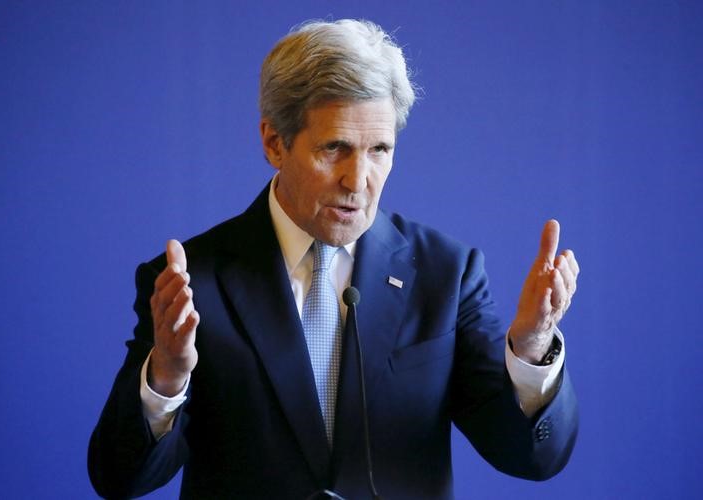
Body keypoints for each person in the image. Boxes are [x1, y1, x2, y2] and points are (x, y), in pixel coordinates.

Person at [88, 19, 579, 499]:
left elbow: (531, 458)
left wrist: (533, 349)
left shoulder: (446, 273)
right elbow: (120, 478)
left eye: (379, 149)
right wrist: (167, 379)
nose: (357, 180)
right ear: (274, 142)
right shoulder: (193, 283)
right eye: (335, 148)